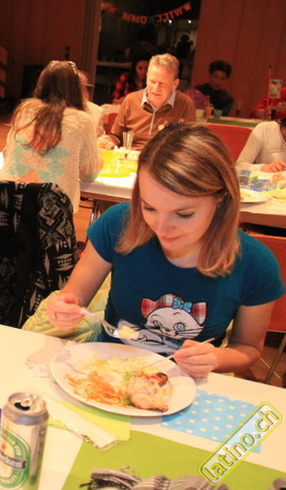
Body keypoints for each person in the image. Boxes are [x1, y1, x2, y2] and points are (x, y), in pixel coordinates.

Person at [46, 123, 284, 378]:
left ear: (222, 197)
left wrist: (216, 358)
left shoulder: (255, 262)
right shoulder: (119, 224)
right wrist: (63, 308)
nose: (161, 228)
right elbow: (73, 297)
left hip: (188, 382)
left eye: (184, 214)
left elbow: (248, 348)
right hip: (108, 370)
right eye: (149, 208)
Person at [0, 61, 102, 213]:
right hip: (51, 211)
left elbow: (7, 154)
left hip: (5, 201)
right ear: (78, 89)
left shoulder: (25, 110)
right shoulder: (82, 120)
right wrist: (100, 152)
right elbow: (90, 173)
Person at [100, 54, 196, 150]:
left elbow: (190, 145)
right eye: (152, 82)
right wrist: (108, 141)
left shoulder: (185, 104)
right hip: (131, 156)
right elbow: (117, 136)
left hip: (165, 157)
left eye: (162, 84)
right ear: (146, 78)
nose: (156, 89)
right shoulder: (131, 100)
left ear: (175, 84)